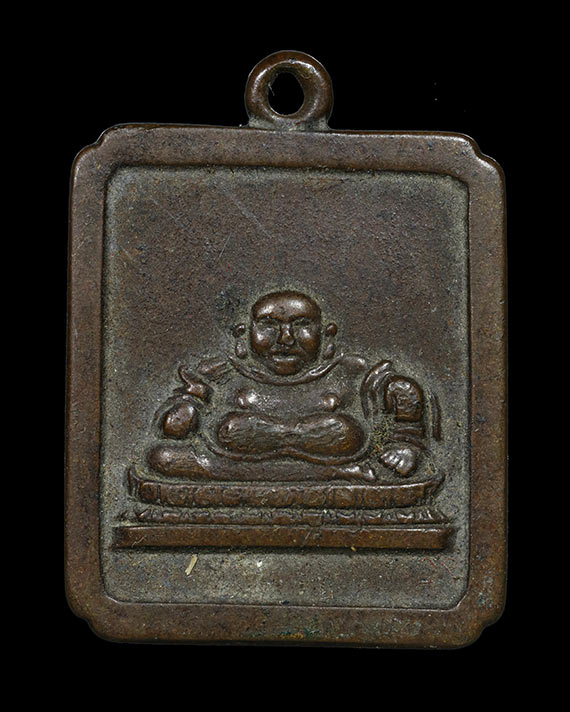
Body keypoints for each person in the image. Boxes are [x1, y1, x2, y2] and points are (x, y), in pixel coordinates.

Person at [147, 290, 426, 482]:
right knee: (163, 458)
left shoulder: (347, 371)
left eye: (302, 325)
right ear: (244, 333)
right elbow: (174, 426)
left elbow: (403, 391)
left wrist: (405, 443)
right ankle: (341, 475)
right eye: (268, 325)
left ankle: (339, 475)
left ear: (326, 332)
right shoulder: (223, 374)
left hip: (242, 476)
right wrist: (189, 405)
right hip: (230, 466)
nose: (286, 339)